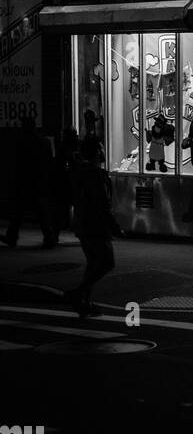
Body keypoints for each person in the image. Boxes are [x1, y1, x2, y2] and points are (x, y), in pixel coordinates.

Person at [65, 134, 123, 318]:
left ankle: (84, 302)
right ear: (97, 152)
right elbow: (102, 203)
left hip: (83, 223)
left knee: (93, 263)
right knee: (106, 262)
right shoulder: (95, 174)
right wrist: (114, 226)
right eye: (101, 147)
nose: (104, 150)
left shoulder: (81, 171)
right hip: (94, 224)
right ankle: (78, 293)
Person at [2, 116, 57, 248]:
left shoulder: (21, 142)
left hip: (26, 182)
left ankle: (12, 237)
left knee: (18, 212)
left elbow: (18, 164)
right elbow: (49, 163)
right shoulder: (44, 142)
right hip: (40, 181)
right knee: (42, 211)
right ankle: (49, 237)